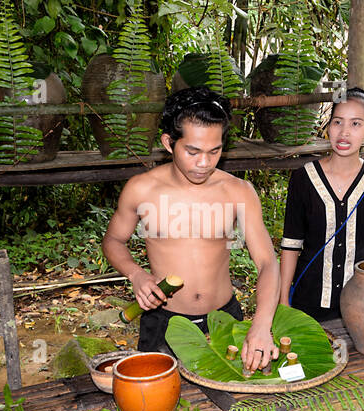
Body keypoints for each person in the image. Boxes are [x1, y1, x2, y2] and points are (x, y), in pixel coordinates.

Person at [103, 87, 281, 373]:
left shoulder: (238, 191)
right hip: (163, 320)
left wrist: (261, 324)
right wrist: (136, 275)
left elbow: (266, 262)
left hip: (225, 319)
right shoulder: (142, 188)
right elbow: (113, 240)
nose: (204, 163)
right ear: (168, 143)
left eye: (215, 151)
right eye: (193, 151)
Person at [278, 86, 364, 323]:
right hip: (308, 301)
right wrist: (282, 300)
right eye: (338, 122)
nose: (344, 133)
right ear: (328, 125)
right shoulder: (303, 178)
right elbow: (291, 246)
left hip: (361, 304)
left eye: (356, 124)